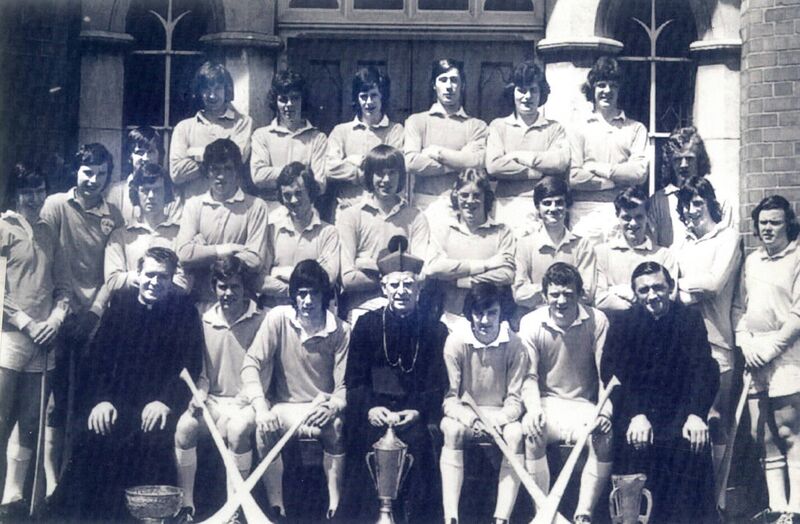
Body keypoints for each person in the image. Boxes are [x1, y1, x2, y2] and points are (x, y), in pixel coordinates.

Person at [50, 247, 204, 521]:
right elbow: (97, 359)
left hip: (158, 404)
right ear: (139, 274)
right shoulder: (120, 304)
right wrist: (101, 400)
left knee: (151, 439)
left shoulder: (184, 312)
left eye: (163, 277)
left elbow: (189, 367)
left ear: (171, 280)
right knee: (92, 435)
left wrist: (165, 402)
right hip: (117, 401)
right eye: (150, 275)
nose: (155, 283)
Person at [601, 261, 719, 523]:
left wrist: (696, 414)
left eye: (658, 287)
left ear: (671, 288)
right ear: (635, 294)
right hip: (637, 413)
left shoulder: (689, 319)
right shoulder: (622, 324)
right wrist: (635, 414)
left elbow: (705, 370)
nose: (652, 295)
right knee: (633, 446)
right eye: (644, 290)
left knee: (692, 443)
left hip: (680, 412)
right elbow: (612, 376)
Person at [344, 235, 449, 523]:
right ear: (383, 288)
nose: (401, 291)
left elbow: (436, 384)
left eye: (408, 284)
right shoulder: (366, 326)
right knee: (363, 443)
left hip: (413, 415)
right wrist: (369, 408)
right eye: (394, 285)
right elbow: (354, 381)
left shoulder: (435, 330)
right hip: (374, 414)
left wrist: (416, 411)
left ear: (419, 287)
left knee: (418, 446)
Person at [39, 143, 124, 495]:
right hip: (58, 313)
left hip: (95, 319)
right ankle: (49, 483)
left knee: (89, 399)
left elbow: (111, 272)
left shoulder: (113, 215)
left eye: (101, 174)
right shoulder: (56, 205)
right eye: (88, 172)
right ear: (77, 171)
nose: (94, 180)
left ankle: (80, 481)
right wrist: (65, 309)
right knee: (54, 404)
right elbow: (46, 257)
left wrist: (93, 313)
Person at [241, 260, 350, 520]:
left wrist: (334, 405)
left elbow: (344, 385)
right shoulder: (278, 318)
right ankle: (277, 509)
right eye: (301, 294)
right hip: (285, 406)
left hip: (320, 407)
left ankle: (334, 508)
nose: (308, 301)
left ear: (324, 295)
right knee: (264, 428)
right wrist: (260, 407)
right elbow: (251, 364)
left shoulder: (342, 330)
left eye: (314, 293)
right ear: (294, 296)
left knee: (335, 428)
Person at [0, 164, 70, 517]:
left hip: (44, 340)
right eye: (27, 191)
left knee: (30, 421)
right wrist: (26, 322)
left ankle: (12, 498)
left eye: (39, 190)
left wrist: (57, 318)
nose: (34, 198)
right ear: (16, 194)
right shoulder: (3, 228)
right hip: (10, 336)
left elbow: (62, 286)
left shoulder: (47, 231)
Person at [519, 262, 610, 523]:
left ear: (579, 294)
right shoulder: (531, 323)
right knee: (533, 432)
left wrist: (604, 412)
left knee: (605, 437)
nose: (561, 301)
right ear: (545, 295)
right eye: (555, 294)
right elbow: (529, 376)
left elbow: (606, 375)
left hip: (584, 406)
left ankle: (584, 514)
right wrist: (534, 410)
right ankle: (543, 513)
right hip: (547, 404)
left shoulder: (598, 320)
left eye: (568, 294)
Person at [173, 256, 264, 520]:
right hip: (214, 401)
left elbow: (264, 374)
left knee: (236, 431)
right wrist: (199, 396)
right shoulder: (203, 319)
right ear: (214, 287)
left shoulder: (262, 319)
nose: (228, 293)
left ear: (244, 287)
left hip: (248, 404)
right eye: (222, 287)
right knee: (185, 426)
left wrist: (244, 401)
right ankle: (187, 507)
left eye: (235, 286)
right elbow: (201, 374)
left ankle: (235, 510)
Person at [673, 176, 741, 500]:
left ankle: (717, 499)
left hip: (717, 342)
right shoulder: (683, 244)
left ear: (710, 203)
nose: (691, 210)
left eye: (698, 202)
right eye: (686, 204)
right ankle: (691, 496)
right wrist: (684, 291)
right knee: (687, 418)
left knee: (714, 418)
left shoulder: (728, 237)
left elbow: (714, 284)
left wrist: (679, 289)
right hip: (684, 345)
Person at [734, 195, 800, 522]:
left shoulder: (798, 257)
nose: (769, 228)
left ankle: (796, 510)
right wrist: (745, 343)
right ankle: (777, 510)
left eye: (775, 222)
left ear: (788, 222)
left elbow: (799, 314)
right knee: (764, 437)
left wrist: (771, 349)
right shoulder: (753, 261)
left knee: (789, 433)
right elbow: (741, 310)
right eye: (763, 223)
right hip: (754, 357)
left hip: (787, 358)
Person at [440, 283, 528, 524]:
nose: (485, 320)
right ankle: (451, 516)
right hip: (465, 415)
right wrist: (472, 419)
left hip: (501, 417)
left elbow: (515, 398)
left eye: (492, 313)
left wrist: (497, 420)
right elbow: (450, 398)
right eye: (479, 313)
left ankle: (502, 518)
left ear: (502, 313)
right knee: (451, 430)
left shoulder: (515, 344)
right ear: (470, 314)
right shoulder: (456, 343)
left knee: (516, 434)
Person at [337, 144, 434, 321]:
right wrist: (400, 272)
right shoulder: (350, 216)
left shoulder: (416, 217)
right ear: (369, 175)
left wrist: (365, 263)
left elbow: (421, 276)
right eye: (380, 173)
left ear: (401, 176)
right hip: (362, 309)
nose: (386, 180)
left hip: (404, 309)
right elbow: (349, 279)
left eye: (392, 173)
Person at [176, 138, 269, 303]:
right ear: (207, 171)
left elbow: (254, 260)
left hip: (241, 303)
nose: (221, 176)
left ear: (237, 172)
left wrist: (203, 253)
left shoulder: (255, 206)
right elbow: (183, 255)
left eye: (228, 168)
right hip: (201, 302)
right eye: (215, 169)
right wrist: (228, 249)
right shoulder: (194, 205)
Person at [485, 60, 570, 237]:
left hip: (542, 208)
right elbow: (494, 166)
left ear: (541, 94)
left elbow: (560, 163)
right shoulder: (499, 126)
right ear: (512, 92)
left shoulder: (554, 128)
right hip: (505, 205)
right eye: (521, 90)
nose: (527, 97)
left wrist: (520, 156)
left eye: (533, 90)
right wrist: (539, 172)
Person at [569, 56, 648, 243]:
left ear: (620, 90)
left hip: (624, 211)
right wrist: (616, 181)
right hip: (584, 211)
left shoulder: (635, 128)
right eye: (601, 85)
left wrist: (597, 168)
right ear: (592, 89)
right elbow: (574, 177)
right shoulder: (578, 127)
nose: (607, 91)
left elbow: (639, 173)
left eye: (613, 85)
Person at [426, 168, 515, 327]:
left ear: (486, 197)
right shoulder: (443, 230)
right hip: (450, 318)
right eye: (464, 195)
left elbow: (506, 274)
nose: (470, 201)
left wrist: (463, 280)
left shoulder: (502, 231)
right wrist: (485, 265)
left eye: (476, 195)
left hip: (488, 319)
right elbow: (434, 268)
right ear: (456, 197)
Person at [404, 58, 488, 218]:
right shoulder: (417, 121)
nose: (449, 86)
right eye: (443, 80)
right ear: (433, 85)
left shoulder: (477, 126)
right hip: (426, 204)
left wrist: (438, 153)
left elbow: (476, 162)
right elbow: (412, 163)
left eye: (454, 80)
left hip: (465, 206)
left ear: (462, 85)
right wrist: (459, 161)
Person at [326, 66, 404, 216]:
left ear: (383, 96)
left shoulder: (395, 131)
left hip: (383, 211)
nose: (369, 102)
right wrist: (362, 172)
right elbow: (329, 168)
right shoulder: (341, 131)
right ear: (357, 98)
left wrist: (353, 161)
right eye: (363, 96)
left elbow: (395, 169)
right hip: (347, 209)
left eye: (374, 95)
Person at [260, 162, 340, 308]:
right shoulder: (271, 230)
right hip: (276, 312)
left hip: (313, 314)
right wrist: (304, 283)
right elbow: (260, 281)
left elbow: (327, 280)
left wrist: (278, 272)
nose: (293, 200)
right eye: (287, 195)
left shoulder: (328, 233)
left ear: (310, 192)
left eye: (298, 193)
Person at [170, 61, 253, 200]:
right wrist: (219, 155)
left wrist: (193, 154)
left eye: (218, 88)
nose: (212, 95)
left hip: (232, 208)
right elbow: (176, 173)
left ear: (226, 90)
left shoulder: (242, 122)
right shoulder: (183, 128)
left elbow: (237, 159)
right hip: (195, 208)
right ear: (199, 91)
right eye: (207, 89)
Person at [104, 163, 190, 295]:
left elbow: (184, 281)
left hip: (169, 310)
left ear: (166, 192)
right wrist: (153, 277)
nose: (150, 196)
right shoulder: (120, 236)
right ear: (136, 193)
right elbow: (112, 280)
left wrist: (149, 280)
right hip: (130, 309)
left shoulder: (182, 233)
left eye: (157, 190)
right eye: (145, 190)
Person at [513, 176, 596, 312]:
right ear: (537, 207)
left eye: (559, 203)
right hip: (536, 319)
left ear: (567, 206)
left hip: (573, 320)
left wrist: (541, 291)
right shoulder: (524, 245)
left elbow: (586, 294)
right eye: (547, 203)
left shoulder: (582, 246)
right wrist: (564, 290)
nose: (553, 208)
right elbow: (520, 294)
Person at [594, 187, 676, 323]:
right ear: (617, 216)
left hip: (654, 329)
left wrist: (618, 291)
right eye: (626, 217)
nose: (633, 223)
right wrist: (644, 301)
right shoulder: (601, 253)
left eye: (639, 217)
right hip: (616, 330)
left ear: (647, 216)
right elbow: (600, 299)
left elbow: (670, 298)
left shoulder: (664, 255)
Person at [251, 70, 328, 205]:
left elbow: (319, 184)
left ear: (303, 99)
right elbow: (258, 176)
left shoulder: (317, 138)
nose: (289, 104)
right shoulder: (261, 136)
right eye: (283, 99)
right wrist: (300, 174)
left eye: (295, 98)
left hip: (304, 210)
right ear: (275, 101)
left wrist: (276, 176)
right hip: (271, 210)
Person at [649, 126, 734, 248]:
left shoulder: (720, 197)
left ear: (700, 160)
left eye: (689, 158)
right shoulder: (658, 201)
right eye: (678, 159)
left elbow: (728, 244)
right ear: (670, 163)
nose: (684, 165)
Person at [106, 126, 170, 225]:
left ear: (159, 155)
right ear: (130, 156)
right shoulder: (116, 193)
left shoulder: (170, 190)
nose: (145, 158)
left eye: (151, 152)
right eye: (140, 152)